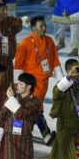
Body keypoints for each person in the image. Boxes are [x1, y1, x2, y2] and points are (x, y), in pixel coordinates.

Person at [14, 16, 63, 144]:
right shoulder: (25, 42)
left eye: (44, 25)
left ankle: (21, 133)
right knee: (34, 108)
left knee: (33, 109)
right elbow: (18, 65)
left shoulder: (49, 41)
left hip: (44, 83)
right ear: (33, 28)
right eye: (41, 26)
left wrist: (62, 80)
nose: (44, 28)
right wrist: (17, 85)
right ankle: (44, 134)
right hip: (29, 84)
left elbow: (56, 60)